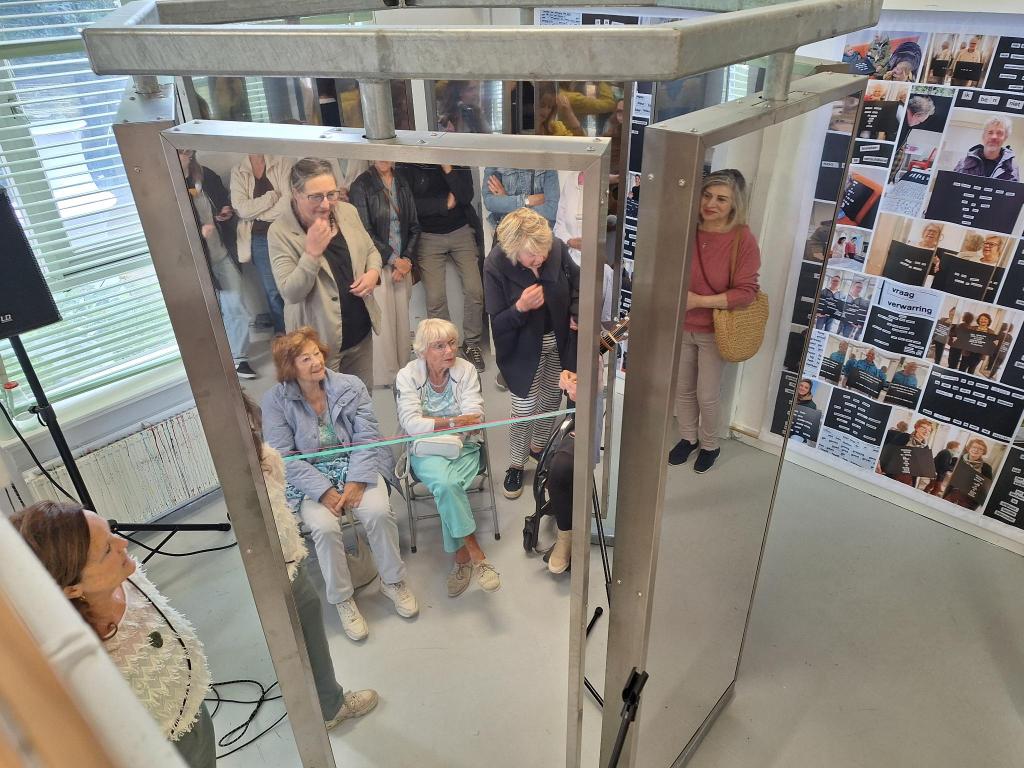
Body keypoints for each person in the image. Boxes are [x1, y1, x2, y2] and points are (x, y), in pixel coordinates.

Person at [14, 502, 215, 767]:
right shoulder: (81, 653)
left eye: (111, 531)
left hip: (193, 710)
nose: (123, 543)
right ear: (72, 589)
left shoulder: (129, 577)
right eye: (107, 549)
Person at [261, 327, 418, 641]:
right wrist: (323, 491)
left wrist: (357, 480)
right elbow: (285, 457)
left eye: (317, 354)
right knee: (324, 527)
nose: (316, 362)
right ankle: (342, 599)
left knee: (378, 512)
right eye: (306, 359)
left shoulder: (350, 385)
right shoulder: (275, 401)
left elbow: (367, 437)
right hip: (309, 476)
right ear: (290, 368)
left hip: (356, 464)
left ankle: (393, 581)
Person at [241, 394, 379, 723]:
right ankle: (330, 707)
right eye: (251, 427)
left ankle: (322, 701)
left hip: (288, 554)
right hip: (279, 561)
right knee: (305, 622)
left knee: (306, 617)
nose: (256, 430)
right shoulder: (254, 463)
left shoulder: (264, 458)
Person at [395, 319, 501, 595]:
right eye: (439, 346)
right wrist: (454, 422)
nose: (450, 351)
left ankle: (462, 558)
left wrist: (436, 423)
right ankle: (475, 554)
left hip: (464, 449)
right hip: (426, 451)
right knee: (447, 484)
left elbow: (475, 417)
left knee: (446, 486)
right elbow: (411, 425)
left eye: (452, 343)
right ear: (422, 351)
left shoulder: (466, 370)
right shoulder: (407, 376)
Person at [667, 169, 761, 474]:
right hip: (681, 325)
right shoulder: (686, 231)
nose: (710, 204)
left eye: (721, 199)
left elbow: (746, 293)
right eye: (707, 195)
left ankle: (710, 445)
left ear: (734, 204)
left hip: (715, 331)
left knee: (707, 394)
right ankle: (688, 438)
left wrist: (699, 302)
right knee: (682, 389)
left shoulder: (741, 239)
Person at [484, 207, 579, 499]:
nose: (540, 258)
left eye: (543, 251)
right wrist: (520, 308)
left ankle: (538, 447)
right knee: (523, 409)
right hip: (522, 349)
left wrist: (576, 312)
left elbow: (578, 284)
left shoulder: (556, 248)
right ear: (514, 251)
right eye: (532, 255)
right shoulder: (495, 265)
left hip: (558, 341)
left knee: (551, 400)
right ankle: (516, 463)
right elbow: (498, 323)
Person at [268, 157, 383, 390]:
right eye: (316, 197)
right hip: (317, 346)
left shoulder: (347, 212)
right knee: (327, 408)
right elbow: (291, 293)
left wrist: (373, 272)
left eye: (332, 194)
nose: (326, 204)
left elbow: (371, 250)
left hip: (360, 334)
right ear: (296, 193)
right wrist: (311, 254)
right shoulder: (280, 232)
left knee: (362, 401)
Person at [399, 162, 486, 373]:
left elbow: (465, 196)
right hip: (428, 235)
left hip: (461, 230)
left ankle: (472, 343)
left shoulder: (456, 159)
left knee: (475, 290)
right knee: (435, 298)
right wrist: (443, 204)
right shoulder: (406, 165)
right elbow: (409, 205)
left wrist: (448, 169)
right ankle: (445, 347)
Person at [177, 148, 255, 379]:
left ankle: (239, 358)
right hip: (194, 260)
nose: (185, 156)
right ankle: (215, 358)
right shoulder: (167, 186)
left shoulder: (206, 175)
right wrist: (197, 233)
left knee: (236, 303)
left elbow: (223, 202)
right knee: (207, 311)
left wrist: (224, 212)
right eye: (181, 152)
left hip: (221, 252)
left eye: (188, 152)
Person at [348, 160, 421, 386]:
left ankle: (403, 373)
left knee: (402, 321)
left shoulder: (402, 181)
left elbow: (415, 226)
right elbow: (364, 231)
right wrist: (393, 260)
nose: (383, 158)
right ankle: (388, 377)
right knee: (385, 326)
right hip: (376, 265)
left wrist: (406, 259)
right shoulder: (361, 185)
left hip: (403, 265)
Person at [231, 154, 293, 335]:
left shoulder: (282, 162)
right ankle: (284, 336)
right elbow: (242, 209)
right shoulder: (238, 171)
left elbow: (288, 201)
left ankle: (302, 332)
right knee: (273, 290)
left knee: (293, 285)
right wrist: (271, 197)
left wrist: (259, 215)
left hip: (286, 233)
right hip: (259, 239)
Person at [553, 170, 615, 325]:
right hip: (571, 261)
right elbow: (558, 226)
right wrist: (570, 241)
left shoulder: (604, 181)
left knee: (600, 321)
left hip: (598, 263)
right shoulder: (571, 180)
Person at [482, 166, 560, 230]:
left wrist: (506, 202)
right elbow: (489, 202)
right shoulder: (498, 156)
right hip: (508, 230)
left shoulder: (546, 160)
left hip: (539, 232)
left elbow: (552, 210)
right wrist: (526, 201)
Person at [953, 116, 1019, 182]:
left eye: (999, 133)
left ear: (1005, 138)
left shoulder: (1013, 168)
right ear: (983, 136)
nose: (994, 137)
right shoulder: (963, 163)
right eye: (990, 132)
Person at [879, 418, 933, 487]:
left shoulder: (926, 448)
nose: (926, 432)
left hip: (907, 480)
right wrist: (880, 466)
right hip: (892, 474)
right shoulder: (904, 437)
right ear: (916, 427)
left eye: (929, 431)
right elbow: (888, 452)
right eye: (924, 428)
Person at [943, 438, 994, 509]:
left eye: (980, 449)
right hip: (952, 495)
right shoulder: (958, 460)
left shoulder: (986, 468)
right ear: (969, 448)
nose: (976, 450)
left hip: (969, 501)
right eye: (974, 447)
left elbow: (986, 489)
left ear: (983, 452)